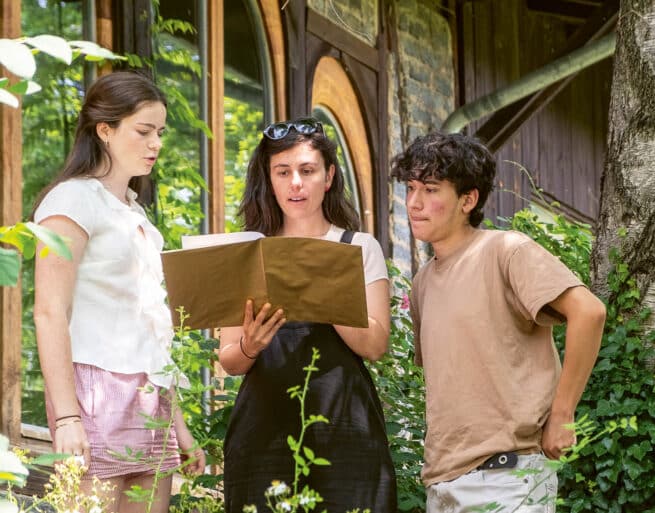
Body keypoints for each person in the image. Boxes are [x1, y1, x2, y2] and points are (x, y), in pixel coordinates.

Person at [390, 132, 606, 513]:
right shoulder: (422, 283)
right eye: (410, 188)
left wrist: (563, 415)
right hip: (442, 486)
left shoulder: (506, 251)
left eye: (430, 189)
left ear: (468, 200)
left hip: (507, 478)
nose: (414, 203)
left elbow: (588, 312)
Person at [32, 71, 206, 513]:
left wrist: (179, 428)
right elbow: (49, 311)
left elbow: (150, 331)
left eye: (160, 132)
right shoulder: (71, 201)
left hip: (151, 395)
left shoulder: (135, 212)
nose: (155, 144)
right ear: (105, 130)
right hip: (93, 388)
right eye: (143, 131)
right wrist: (67, 416)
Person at [219, 117, 397, 513]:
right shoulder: (247, 251)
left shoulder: (358, 247)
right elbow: (229, 361)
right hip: (263, 432)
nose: (295, 183)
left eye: (307, 170)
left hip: (344, 429)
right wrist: (250, 345)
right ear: (269, 180)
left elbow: (375, 345)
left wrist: (323, 292)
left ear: (328, 176)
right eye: (283, 172)